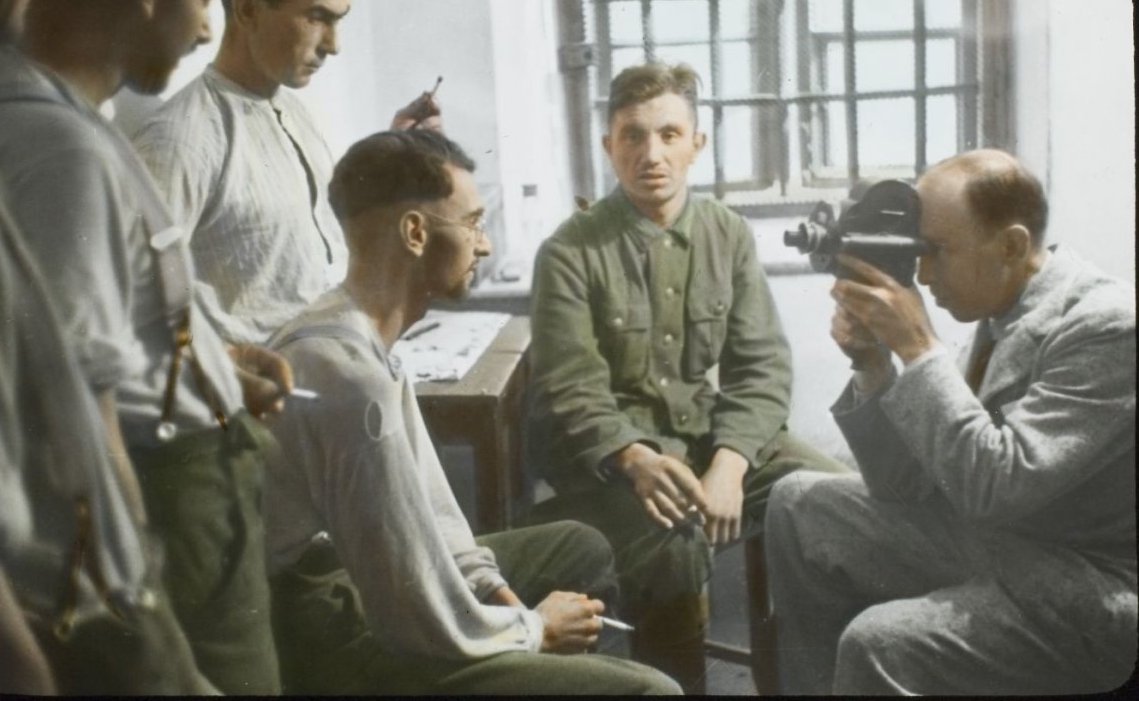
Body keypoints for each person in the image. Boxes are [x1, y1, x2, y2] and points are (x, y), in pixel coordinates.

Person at [0, 0, 292, 694]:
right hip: (166, 511)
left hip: (190, 492)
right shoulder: (58, 149)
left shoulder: (62, 122)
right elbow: (76, 412)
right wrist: (140, 609)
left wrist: (218, 366)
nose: (206, 30)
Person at [261, 128, 682, 695]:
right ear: (415, 233)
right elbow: (413, 610)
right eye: (473, 223)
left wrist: (495, 593)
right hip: (324, 630)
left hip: (354, 582)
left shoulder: (354, 334)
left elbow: (432, 516)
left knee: (579, 545)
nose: (482, 246)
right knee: (654, 692)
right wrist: (533, 631)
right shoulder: (351, 381)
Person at [525, 61, 848, 691]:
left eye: (669, 134)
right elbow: (571, 388)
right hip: (611, 465)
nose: (651, 154)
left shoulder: (727, 233)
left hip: (708, 442)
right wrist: (634, 458)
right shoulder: (569, 251)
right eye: (633, 135)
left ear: (696, 144)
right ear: (608, 146)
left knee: (836, 497)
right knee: (674, 546)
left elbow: (762, 365)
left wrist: (730, 462)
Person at [765, 149, 1137, 694]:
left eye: (936, 251)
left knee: (877, 641)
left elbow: (996, 487)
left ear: (1011, 245)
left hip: (1084, 586)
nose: (921, 273)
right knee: (796, 503)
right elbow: (906, 486)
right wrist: (873, 365)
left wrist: (919, 348)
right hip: (1005, 543)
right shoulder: (1002, 308)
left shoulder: (1108, 326)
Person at [131, 0, 441, 346]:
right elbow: (135, 306)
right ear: (247, 10)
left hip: (337, 363)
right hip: (263, 384)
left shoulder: (293, 112)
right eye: (317, 17)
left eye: (338, 21)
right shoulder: (180, 140)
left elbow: (316, 240)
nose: (333, 45)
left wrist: (394, 148)